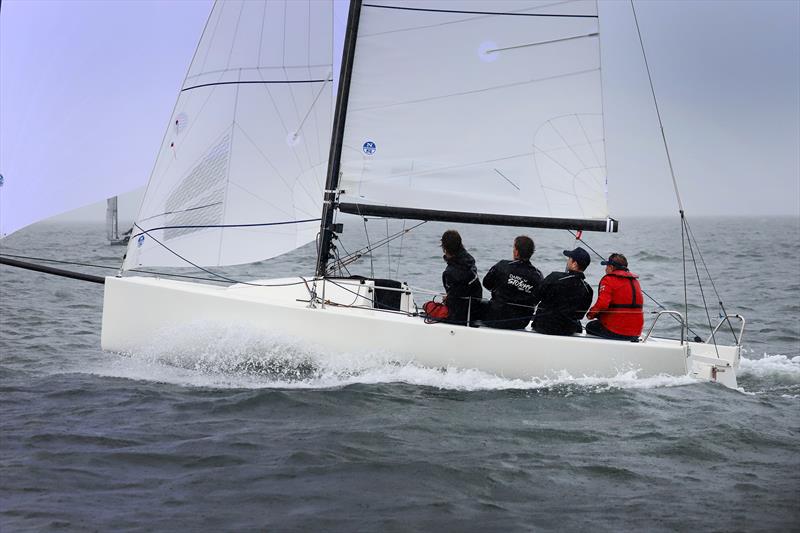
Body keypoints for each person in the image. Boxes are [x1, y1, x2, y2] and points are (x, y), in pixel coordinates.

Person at [482, 235, 543, 329]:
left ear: (517, 252)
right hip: (520, 321)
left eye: (513, 248)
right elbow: (536, 299)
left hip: (495, 317)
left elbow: (486, 283)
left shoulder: (502, 265)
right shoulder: (538, 275)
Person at [532, 247, 594, 336]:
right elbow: (580, 315)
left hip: (543, 326)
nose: (567, 261)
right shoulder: (588, 289)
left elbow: (536, 297)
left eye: (569, 259)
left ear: (574, 264)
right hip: (567, 330)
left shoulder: (554, 277)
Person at [585, 253, 644, 341]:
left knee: (590, 326)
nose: (605, 269)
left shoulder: (608, 279)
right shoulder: (635, 281)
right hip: (636, 333)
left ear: (611, 267)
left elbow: (603, 304)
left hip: (617, 331)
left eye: (607, 266)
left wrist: (591, 314)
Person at [439, 230, 482, 325]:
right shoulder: (470, 261)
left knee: (427, 306)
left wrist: (448, 298)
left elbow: (454, 300)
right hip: (476, 310)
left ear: (444, 248)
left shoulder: (449, 273)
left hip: (459, 315)